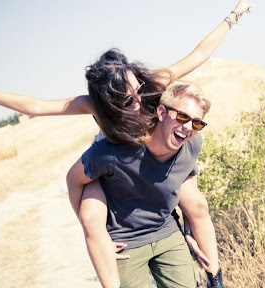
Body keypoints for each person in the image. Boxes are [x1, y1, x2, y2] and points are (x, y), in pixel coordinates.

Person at [0, 1, 253, 287]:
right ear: (108, 103)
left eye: (136, 90)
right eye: (127, 101)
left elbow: (199, 54)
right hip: (112, 164)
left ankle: (215, 278)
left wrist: (234, 14)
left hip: (157, 158)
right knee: (91, 215)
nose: (139, 102)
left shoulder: (151, 84)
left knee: (197, 205)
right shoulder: (96, 109)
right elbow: (36, 106)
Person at [67, 81, 214, 288]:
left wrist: (188, 231)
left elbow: (191, 193)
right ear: (162, 112)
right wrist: (96, 236)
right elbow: (74, 180)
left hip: (165, 231)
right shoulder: (111, 151)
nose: (189, 127)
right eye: (182, 116)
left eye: (197, 123)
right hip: (125, 242)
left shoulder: (191, 143)